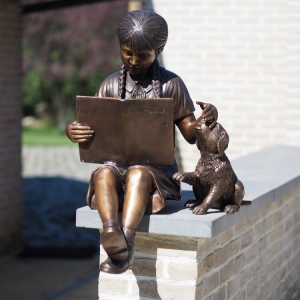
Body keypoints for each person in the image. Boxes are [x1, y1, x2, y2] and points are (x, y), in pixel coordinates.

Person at [65, 10, 218, 274]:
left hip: (156, 169)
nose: (134, 61)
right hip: (115, 163)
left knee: (137, 173)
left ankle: (126, 242)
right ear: (119, 48)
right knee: (102, 173)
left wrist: (204, 121)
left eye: (143, 55)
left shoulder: (172, 84)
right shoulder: (111, 84)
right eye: (127, 53)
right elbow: (92, 127)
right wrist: (74, 131)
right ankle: (111, 231)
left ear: (158, 50)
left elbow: (191, 135)